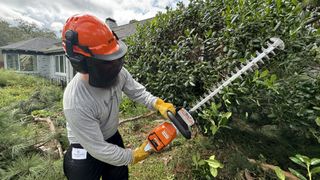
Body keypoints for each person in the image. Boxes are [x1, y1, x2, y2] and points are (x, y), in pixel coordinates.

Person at [61, 14, 176, 180]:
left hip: (111, 135)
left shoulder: (117, 72)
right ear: (80, 62)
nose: (114, 66)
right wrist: (132, 155)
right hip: (85, 145)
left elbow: (138, 93)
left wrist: (158, 104)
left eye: (114, 59)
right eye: (106, 61)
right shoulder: (75, 101)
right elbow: (98, 148)